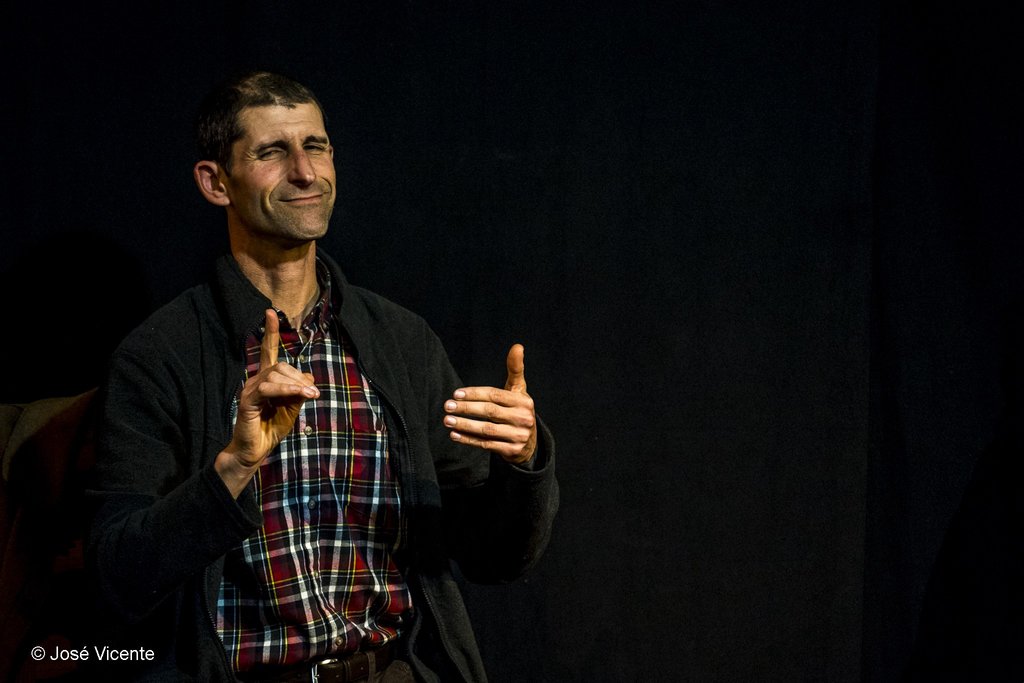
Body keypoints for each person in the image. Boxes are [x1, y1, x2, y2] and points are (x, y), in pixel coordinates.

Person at [86, 70, 558, 682]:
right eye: (272, 152)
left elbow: (492, 557)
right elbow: (114, 581)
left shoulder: (400, 341)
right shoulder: (161, 354)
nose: (306, 172)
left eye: (316, 146)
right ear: (215, 182)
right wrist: (233, 469)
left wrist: (523, 462)